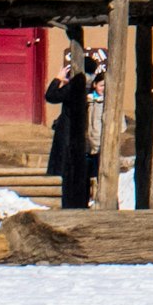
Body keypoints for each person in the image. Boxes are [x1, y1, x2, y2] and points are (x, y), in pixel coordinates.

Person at [46, 47, 103, 210]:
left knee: (69, 175)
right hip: (88, 139)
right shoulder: (92, 90)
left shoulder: (73, 87)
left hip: (69, 136)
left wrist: (58, 79)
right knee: (83, 175)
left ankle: (70, 205)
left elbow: (51, 96)